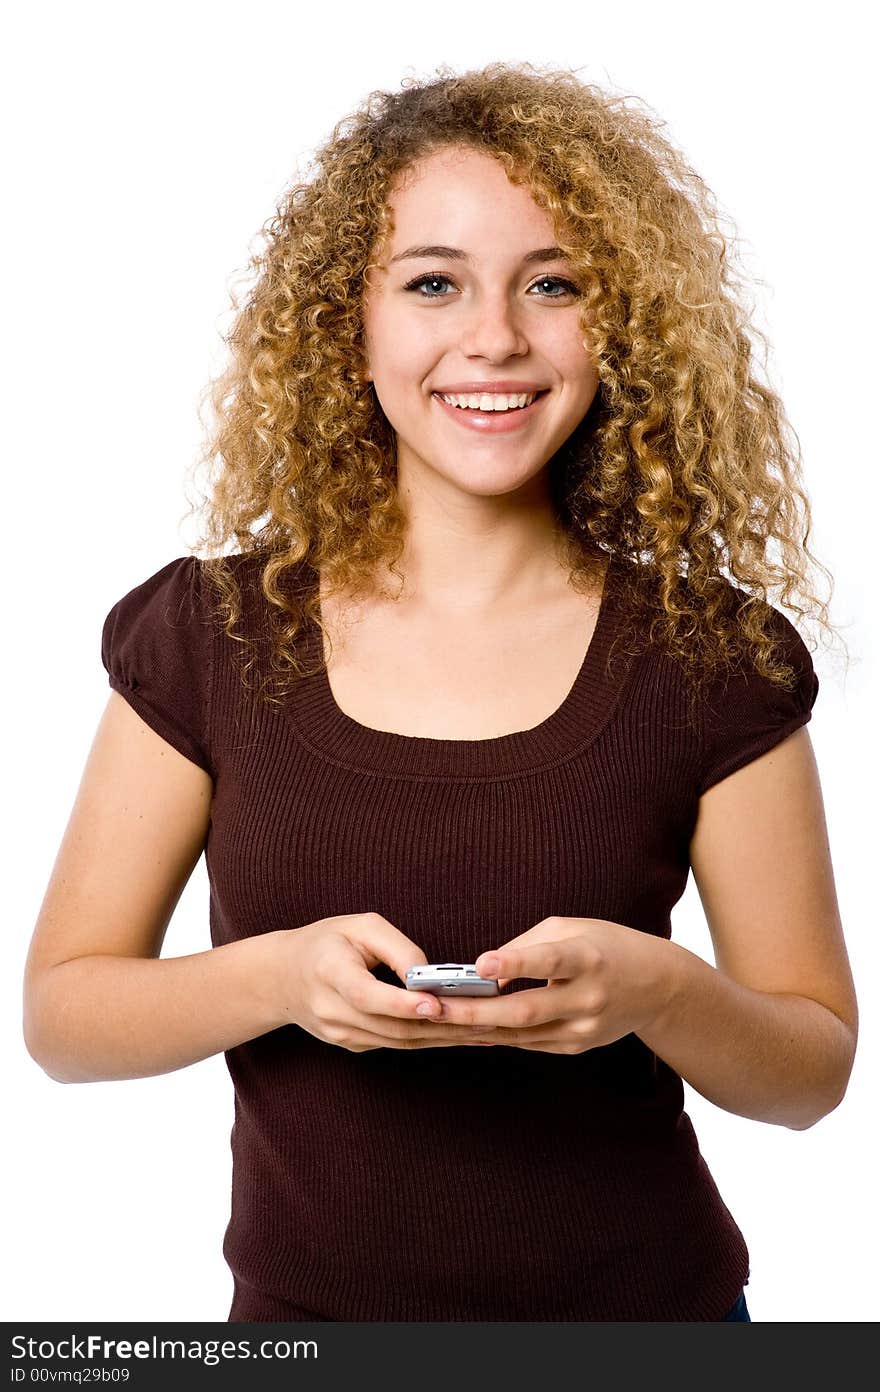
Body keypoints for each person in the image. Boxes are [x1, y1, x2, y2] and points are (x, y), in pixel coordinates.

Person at [22, 61, 858, 1324]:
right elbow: (64, 1018)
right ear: (344, 323)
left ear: (618, 319)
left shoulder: (711, 656)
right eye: (432, 283)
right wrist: (282, 980)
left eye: (553, 284)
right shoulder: (213, 634)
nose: (495, 339)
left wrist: (656, 991)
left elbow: (809, 1073)